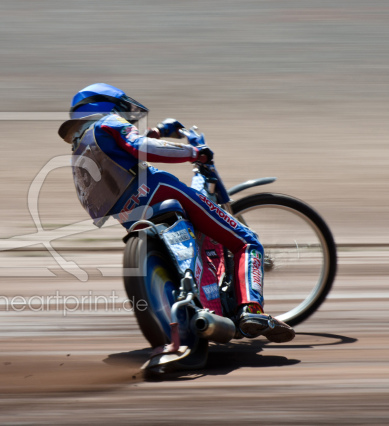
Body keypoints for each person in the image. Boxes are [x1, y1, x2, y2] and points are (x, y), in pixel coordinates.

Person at [57, 83, 295, 343]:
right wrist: (195, 153)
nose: (127, 116)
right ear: (106, 104)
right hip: (159, 189)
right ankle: (251, 310)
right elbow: (138, 146)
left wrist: (158, 132)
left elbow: (125, 150)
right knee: (247, 241)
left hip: (128, 213)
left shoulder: (84, 142)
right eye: (124, 109)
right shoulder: (109, 120)